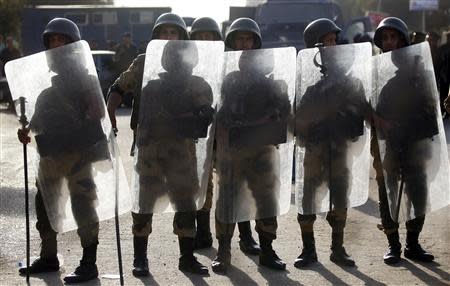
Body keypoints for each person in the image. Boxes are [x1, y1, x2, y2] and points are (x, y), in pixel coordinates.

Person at [107, 13, 209, 276]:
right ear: (155, 37)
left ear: (182, 38)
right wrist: (110, 115)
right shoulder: (142, 64)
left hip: (183, 150)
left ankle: (187, 257)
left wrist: (200, 114)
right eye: (163, 32)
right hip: (149, 147)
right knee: (143, 204)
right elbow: (118, 89)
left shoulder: (194, 70)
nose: (168, 37)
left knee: (186, 203)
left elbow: (207, 109)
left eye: (173, 33)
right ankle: (140, 258)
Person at [16, 18, 104, 284]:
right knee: (45, 208)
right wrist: (25, 132)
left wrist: (89, 112)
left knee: (83, 208)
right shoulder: (46, 91)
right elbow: (37, 123)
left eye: (61, 41)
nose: (56, 46)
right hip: (51, 158)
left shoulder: (87, 81)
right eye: (52, 41)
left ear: (72, 46)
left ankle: (89, 263)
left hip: (79, 157)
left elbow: (97, 113)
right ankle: (48, 257)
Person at [212, 17, 289, 273]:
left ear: (256, 43)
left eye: (248, 39)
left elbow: (283, 114)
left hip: (262, 150)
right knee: (227, 201)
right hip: (233, 150)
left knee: (266, 200)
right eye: (239, 39)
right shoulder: (228, 78)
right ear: (233, 43)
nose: (244, 44)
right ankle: (224, 251)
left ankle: (267, 250)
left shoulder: (269, 79)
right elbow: (219, 116)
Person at [294, 18, 371, 268]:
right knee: (308, 198)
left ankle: (338, 249)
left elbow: (360, 116)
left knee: (339, 197)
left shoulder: (350, 81)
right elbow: (299, 120)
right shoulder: (307, 83)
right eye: (328, 41)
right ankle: (308, 250)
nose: (334, 44)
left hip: (339, 149)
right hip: (315, 149)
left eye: (335, 40)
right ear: (316, 48)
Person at [188, 16, 261, 254]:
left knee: (235, 185)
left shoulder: (227, 64)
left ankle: (246, 235)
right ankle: (202, 232)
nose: (204, 42)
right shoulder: (186, 67)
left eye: (209, 37)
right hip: (198, 134)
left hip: (227, 134)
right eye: (199, 38)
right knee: (200, 184)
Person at [372, 16, 436, 264]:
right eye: (385, 38)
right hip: (388, 143)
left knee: (417, 193)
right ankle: (393, 245)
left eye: (394, 36)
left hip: (414, 142)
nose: (390, 42)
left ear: (402, 38)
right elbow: (365, 103)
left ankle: (412, 244)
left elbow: (429, 103)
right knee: (389, 195)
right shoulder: (374, 68)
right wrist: (378, 120)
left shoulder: (418, 66)